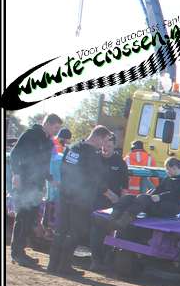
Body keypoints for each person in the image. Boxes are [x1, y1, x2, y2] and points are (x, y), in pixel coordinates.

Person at [52, 126, 114, 276]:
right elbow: (96, 178)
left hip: (65, 195)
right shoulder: (92, 154)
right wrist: (109, 193)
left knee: (61, 230)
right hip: (81, 199)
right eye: (105, 140)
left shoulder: (73, 148)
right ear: (98, 137)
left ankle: (53, 265)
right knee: (76, 232)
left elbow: (63, 169)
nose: (104, 145)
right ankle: (64, 266)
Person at [9, 113, 62, 268]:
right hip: (25, 182)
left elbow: (44, 166)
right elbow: (14, 154)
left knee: (31, 218)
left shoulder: (48, 142)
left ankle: (21, 251)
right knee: (23, 217)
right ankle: (17, 253)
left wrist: (51, 179)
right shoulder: (30, 134)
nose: (57, 131)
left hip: (37, 185)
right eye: (56, 127)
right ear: (47, 124)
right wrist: (16, 174)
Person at [108, 156, 180, 231]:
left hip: (172, 206)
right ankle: (112, 218)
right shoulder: (169, 178)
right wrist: (151, 195)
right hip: (160, 203)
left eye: (167, 169)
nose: (167, 171)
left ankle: (122, 223)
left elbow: (176, 194)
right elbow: (159, 189)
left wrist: (160, 197)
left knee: (143, 199)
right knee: (129, 197)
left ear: (174, 168)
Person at [89, 139, 128, 271]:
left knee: (110, 230)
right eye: (104, 146)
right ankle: (96, 261)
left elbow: (125, 185)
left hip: (113, 203)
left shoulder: (120, 162)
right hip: (96, 200)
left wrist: (122, 202)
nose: (106, 149)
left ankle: (106, 259)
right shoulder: (95, 158)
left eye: (109, 146)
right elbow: (93, 180)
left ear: (114, 147)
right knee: (97, 231)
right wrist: (109, 193)